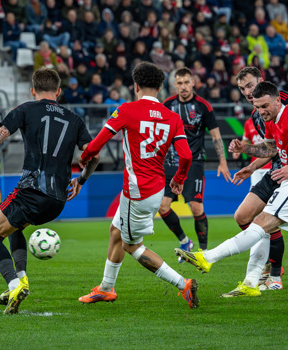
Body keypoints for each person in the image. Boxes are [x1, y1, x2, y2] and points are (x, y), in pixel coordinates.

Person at [0, 68, 98, 315]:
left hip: (32, 191)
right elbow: (93, 156)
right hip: (58, 200)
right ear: (58, 92)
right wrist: (82, 180)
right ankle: (22, 279)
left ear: (33, 90)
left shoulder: (25, 109)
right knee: (15, 228)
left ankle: (14, 284)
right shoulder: (75, 119)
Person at [177, 81, 288, 298]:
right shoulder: (269, 119)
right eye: (258, 107)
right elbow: (271, 149)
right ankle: (251, 282)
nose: (261, 111)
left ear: (278, 101)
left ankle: (209, 258)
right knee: (256, 223)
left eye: (265, 106)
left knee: (260, 223)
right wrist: (246, 151)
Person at [77, 62, 199, 309]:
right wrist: (179, 179)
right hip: (154, 187)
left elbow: (97, 143)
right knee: (115, 231)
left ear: (135, 86)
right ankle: (106, 289)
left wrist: (85, 156)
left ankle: (183, 284)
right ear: (161, 87)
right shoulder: (173, 117)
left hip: (137, 192)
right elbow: (186, 155)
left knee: (132, 246)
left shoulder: (127, 110)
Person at [230, 66, 288, 291]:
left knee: (264, 222)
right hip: (274, 170)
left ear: (261, 80)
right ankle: (272, 263)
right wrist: (250, 164)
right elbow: (271, 149)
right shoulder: (256, 114)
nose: (247, 92)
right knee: (242, 216)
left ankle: (274, 272)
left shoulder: (281, 99)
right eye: (242, 88)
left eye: (250, 85)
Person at [159, 67, 232, 257]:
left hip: (194, 162)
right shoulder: (166, 105)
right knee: (163, 207)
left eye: (186, 82)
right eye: (179, 83)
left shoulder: (203, 106)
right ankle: (185, 241)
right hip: (170, 163)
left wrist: (222, 161)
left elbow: (215, 136)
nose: (183, 86)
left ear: (193, 82)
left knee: (196, 207)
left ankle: (204, 252)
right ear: (175, 85)